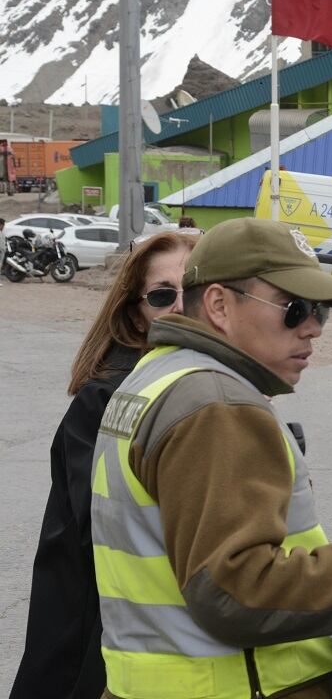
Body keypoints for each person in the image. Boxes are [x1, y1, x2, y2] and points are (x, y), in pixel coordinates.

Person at [86, 218, 332, 697]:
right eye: (294, 309)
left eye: (321, 310)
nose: (314, 328)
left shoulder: (155, 375)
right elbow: (236, 591)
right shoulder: (218, 403)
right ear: (219, 305)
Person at [10, 231, 197, 699]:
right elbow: (105, 526)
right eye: (161, 295)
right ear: (136, 311)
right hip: (98, 622)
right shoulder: (111, 396)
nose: (179, 306)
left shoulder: (195, 378)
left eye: (191, 290)